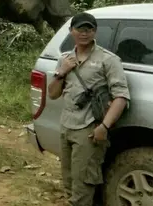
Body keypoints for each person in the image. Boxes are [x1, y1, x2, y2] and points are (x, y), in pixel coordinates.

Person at [48, 12, 131, 206]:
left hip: (89, 129)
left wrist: (104, 126)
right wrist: (62, 72)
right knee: (68, 181)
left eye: (89, 29)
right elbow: (52, 94)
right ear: (71, 31)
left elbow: (121, 97)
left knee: (83, 185)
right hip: (66, 125)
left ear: (95, 32)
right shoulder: (65, 59)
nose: (84, 33)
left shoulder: (108, 60)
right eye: (80, 29)